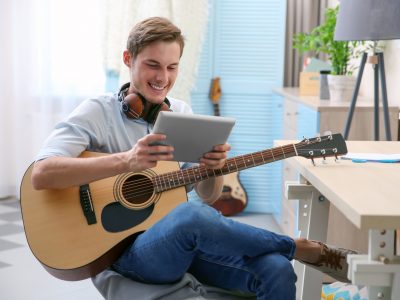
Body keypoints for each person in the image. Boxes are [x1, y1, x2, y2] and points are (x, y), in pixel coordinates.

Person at [31, 17, 356, 300]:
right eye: (153, 65)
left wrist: (210, 170)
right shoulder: (97, 112)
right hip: (123, 253)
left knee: (275, 268)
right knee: (190, 215)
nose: (163, 78)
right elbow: (42, 174)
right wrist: (126, 162)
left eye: (172, 67)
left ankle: (289, 253)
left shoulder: (181, 113)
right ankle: (300, 247)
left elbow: (208, 195)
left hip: (180, 243)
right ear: (128, 59)